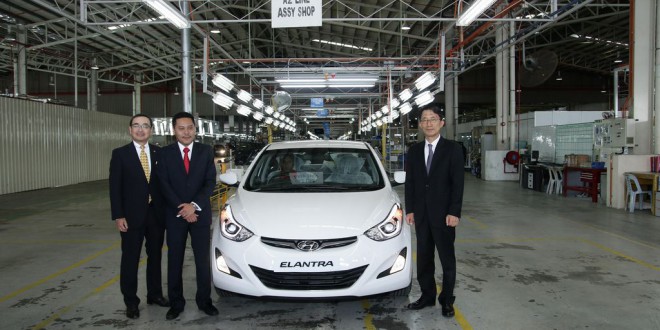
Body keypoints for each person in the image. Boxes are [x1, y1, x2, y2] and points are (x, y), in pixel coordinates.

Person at [404, 104, 464, 317]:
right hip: (421, 214)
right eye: (424, 119)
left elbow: (458, 184)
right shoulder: (414, 151)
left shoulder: (453, 149)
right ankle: (427, 296)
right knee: (424, 257)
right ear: (420, 124)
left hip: (444, 215)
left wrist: (454, 212)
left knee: (447, 259)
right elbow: (410, 182)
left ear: (441, 123)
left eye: (432, 119)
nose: (428, 123)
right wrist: (410, 209)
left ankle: (447, 300)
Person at [157, 112, 218, 320]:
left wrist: (193, 206)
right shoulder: (164, 154)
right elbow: (163, 184)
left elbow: (210, 182)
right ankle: (176, 303)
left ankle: (204, 301)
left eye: (190, 127)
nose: (186, 132)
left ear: (195, 129)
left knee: (202, 260)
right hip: (175, 215)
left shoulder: (205, 151)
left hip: (200, 214)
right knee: (175, 260)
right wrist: (183, 209)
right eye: (181, 128)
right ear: (174, 130)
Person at [109, 114, 169, 319]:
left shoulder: (160, 153)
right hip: (131, 217)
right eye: (136, 126)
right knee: (130, 259)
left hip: (156, 215)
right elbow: (114, 188)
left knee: (155, 256)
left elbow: (165, 185)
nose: (141, 129)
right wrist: (118, 215)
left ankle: (154, 294)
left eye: (145, 126)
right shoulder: (120, 154)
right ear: (130, 129)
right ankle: (131, 302)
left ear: (151, 130)